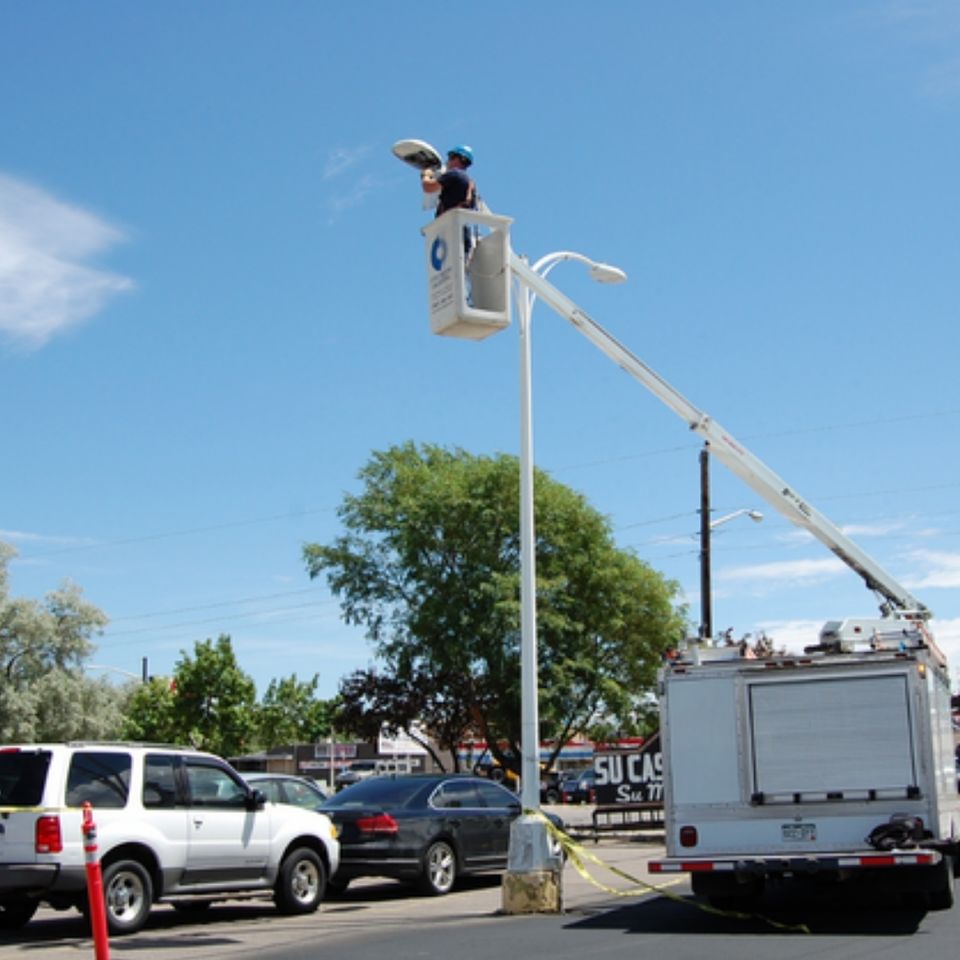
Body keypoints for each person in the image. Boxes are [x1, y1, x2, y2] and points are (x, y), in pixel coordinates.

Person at [421, 144, 478, 218]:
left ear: (456, 158)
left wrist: (426, 174)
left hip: (448, 224)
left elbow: (428, 187)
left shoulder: (454, 174)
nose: (448, 161)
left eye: (450, 157)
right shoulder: (470, 183)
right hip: (460, 224)